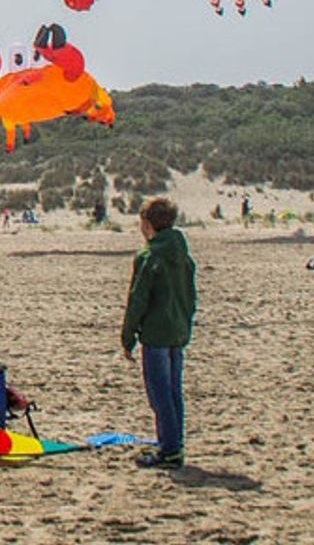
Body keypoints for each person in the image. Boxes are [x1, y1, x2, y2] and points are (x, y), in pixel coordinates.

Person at [122, 197, 196, 470]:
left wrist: (128, 337)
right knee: (173, 391)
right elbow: (191, 297)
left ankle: (170, 449)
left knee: (160, 394)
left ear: (147, 223)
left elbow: (138, 300)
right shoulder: (182, 256)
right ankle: (173, 443)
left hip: (157, 334)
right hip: (177, 332)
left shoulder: (149, 256)